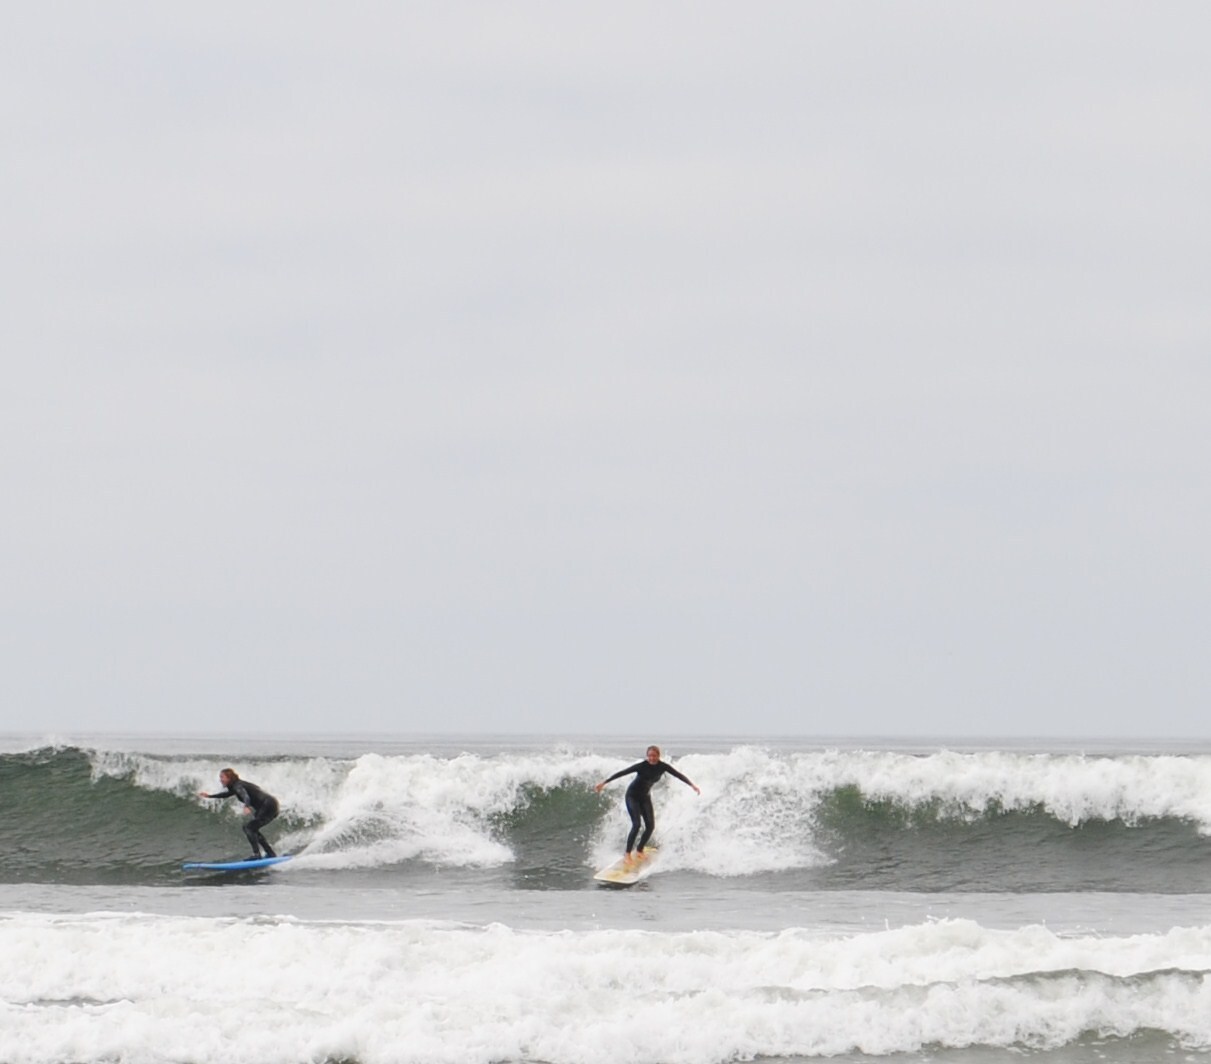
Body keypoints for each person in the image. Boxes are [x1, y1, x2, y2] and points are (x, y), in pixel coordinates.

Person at [594, 745, 700, 865]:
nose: (651, 758)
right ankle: (627, 854)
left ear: (658, 756)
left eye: (654, 756)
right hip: (632, 796)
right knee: (637, 824)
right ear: (647, 756)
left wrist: (692, 785)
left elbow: (678, 775)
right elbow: (622, 773)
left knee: (650, 826)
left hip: (645, 797)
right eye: (649, 756)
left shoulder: (662, 767)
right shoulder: (641, 766)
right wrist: (604, 783)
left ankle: (639, 850)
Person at [199, 768, 280, 859]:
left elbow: (245, 795)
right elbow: (227, 794)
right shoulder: (236, 786)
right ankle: (270, 853)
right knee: (252, 829)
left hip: (267, 805)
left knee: (248, 828)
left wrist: (247, 805)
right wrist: (209, 796)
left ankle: (257, 854)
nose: (220, 780)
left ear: (229, 778)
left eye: (222, 777)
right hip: (269, 804)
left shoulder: (238, 786)